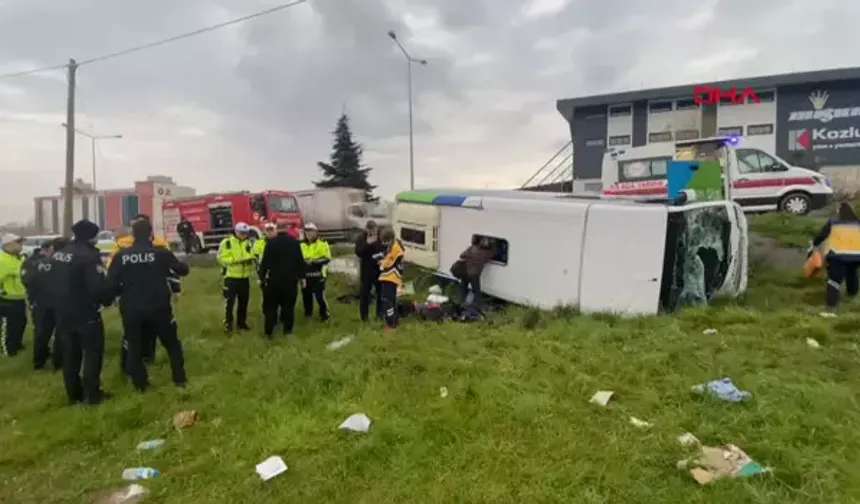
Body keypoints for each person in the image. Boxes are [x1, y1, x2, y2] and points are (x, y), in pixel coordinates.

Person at [108, 219, 189, 392]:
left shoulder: (121, 256)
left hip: (131, 308)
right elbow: (182, 270)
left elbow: (111, 283)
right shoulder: (160, 253)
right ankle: (179, 380)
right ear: (151, 233)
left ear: (132, 235)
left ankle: (140, 385)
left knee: (134, 345)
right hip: (158, 306)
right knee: (172, 344)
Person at [44, 220, 114, 405]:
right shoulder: (88, 257)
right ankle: (92, 394)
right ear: (91, 237)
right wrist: (107, 300)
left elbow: (48, 281)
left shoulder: (59, 254)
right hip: (85, 312)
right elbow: (98, 287)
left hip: (62, 312)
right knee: (92, 353)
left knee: (70, 354)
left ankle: (73, 394)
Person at [109, 214, 175, 369]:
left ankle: (146, 360)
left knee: (150, 331)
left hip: (149, 294)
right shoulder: (121, 244)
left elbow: (169, 268)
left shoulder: (160, 243)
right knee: (132, 336)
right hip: (137, 293)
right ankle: (129, 366)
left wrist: (175, 286)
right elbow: (111, 265)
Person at [21, 237, 69, 369]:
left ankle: (40, 361)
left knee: (43, 332)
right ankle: (56, 362)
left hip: (41, 302)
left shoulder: (38, 263)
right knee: (58, 332)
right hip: (56, 301)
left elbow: (29, 281)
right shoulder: (62, 263)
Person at [258, 220, 305, 338]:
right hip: (290, 280)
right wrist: (302, 277)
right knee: (288, 307)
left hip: (273, 280)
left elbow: (265, 263)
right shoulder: (294, 243)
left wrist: (261, 278)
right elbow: (299, 261)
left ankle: (269, 332)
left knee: (271, 308)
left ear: (277, 229)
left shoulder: (270, 243)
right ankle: (287, 331)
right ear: (287, 228)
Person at [811, 202, 860, 309]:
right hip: (857, 256)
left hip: (838, 255)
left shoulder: (833, 222)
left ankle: (831, 307)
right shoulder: (858, 223)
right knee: (852, 273)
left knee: (834, 280)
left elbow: (821, 235)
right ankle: (852, 293)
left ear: (839, 212)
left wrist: (814, 244)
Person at [217, 222, 255, 332]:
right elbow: (220, 258)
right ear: (236, 231)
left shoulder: (248, 243)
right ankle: (228, 324)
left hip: (244, 277)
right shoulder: (227, 242)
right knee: (229, 303)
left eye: (246, 233)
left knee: (244, 302)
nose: (244, 235)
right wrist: (235, 261)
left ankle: (241, 323)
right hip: (231, 278)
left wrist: (249, 259)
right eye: (242, 233)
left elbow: (252, 253)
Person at [0, 233, 26, 357]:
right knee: (8, 325)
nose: (21, 245)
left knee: (21, 322)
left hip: (20, 297)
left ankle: (17, 343)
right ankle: (7, 349)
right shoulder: (1, 259)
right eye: (18, 242)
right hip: (6, 299)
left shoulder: (21, 257)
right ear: (8, 245)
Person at [300, 223, 332, 321]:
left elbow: (327, 258)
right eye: (307, 232)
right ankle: (308, 314)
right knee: (306, 295)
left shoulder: (322, 243)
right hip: (305, 275)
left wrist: (314, 261)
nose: (309, 234)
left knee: (319, 296)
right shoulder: (301, 245)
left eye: (311, 232)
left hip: (319, 274)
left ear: (316, 232)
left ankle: (324, 314)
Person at [354, 220, 385, 321]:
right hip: (366, 268)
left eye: (374, 230)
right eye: (370, 230)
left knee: (380, 292)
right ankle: (364, 316)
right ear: (366, 229)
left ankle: (380, 314)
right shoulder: (361, 238)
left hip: (379, 268)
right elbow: (358, 252)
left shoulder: (381, 236)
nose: (373, 233)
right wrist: (367, 243)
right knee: (365, 293)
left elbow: (385, 249)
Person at [455, 236, 496, 308]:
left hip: (465, 272)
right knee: (476, 292)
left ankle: (462, 303)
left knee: (463, 288)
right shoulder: (486, 252)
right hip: (474, 274)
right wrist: (493, 245)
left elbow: (461, 255)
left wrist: (469, 256)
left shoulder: (471, 248)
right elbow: (493, 253)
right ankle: (477, 306)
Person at [378, 228, 405, 331]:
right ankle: (393, 321)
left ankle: (390, 324)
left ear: (391, 239)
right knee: (391, 301)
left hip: (390, 278)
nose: (384, 244)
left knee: (387, 302)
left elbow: (389, 262)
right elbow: (388, 257)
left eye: (385, 241)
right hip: (390, 278)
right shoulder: (394, 246)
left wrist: (381, 264)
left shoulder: (396, 249)